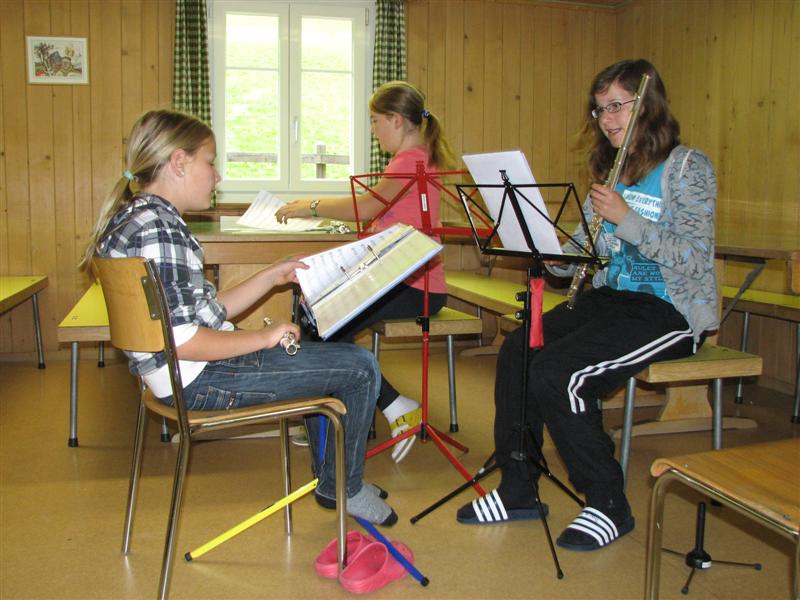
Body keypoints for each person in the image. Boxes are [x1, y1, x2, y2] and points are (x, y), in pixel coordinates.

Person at [79, 109, 397, 526]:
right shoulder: (161, 231)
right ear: (179, 162)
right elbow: (183, 340)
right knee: (360, 367)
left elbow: (206, 314)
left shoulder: (138, 218)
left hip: (175, 377)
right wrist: (264, 338)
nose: (217, 176)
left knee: (327, 358)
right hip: (199, 380)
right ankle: (344, 487)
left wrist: (271, 276)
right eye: (210, 162)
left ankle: (335, 480)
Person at [456, 59, 719, 552]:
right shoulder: (612, 171)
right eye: (600, 110)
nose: (607, 119)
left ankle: (608, 502)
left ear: (648, 105)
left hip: (669, 310)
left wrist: (627, 219)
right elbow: (585, 250)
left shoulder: (687, 166)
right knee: (518, 352)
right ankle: (518, 489)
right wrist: (554, 252)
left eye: (617, 106)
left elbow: (695, 257)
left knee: (561, 373)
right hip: (611, 298)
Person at [275, 81, 456, 463]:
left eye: (376, 121)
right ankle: (344, 412)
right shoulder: (420, 157)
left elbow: (367, 206)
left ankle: (381, 408)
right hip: (408, 280)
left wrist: (311, 205)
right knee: (318, 322)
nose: (374, 130)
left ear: (396, 120)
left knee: (320, 326)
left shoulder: (409, 161)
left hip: (414, 285)